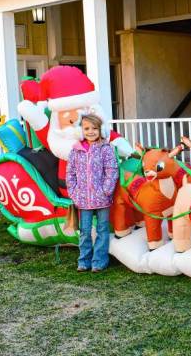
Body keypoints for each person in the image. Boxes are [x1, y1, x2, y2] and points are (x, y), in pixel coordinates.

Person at [66, 114, 119, 272]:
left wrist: (106, 190)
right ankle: (84, 260)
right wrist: (74, 193)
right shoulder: (76, 150)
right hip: (83, 199)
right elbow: (70, 173)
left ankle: (99, 261)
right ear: (80, 131)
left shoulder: (105, 148)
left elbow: (112, 171)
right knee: (85, 231)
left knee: (102, 229)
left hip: (102, 198)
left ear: (101, 130)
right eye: (87, 128)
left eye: (94, 128)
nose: (91, 132)